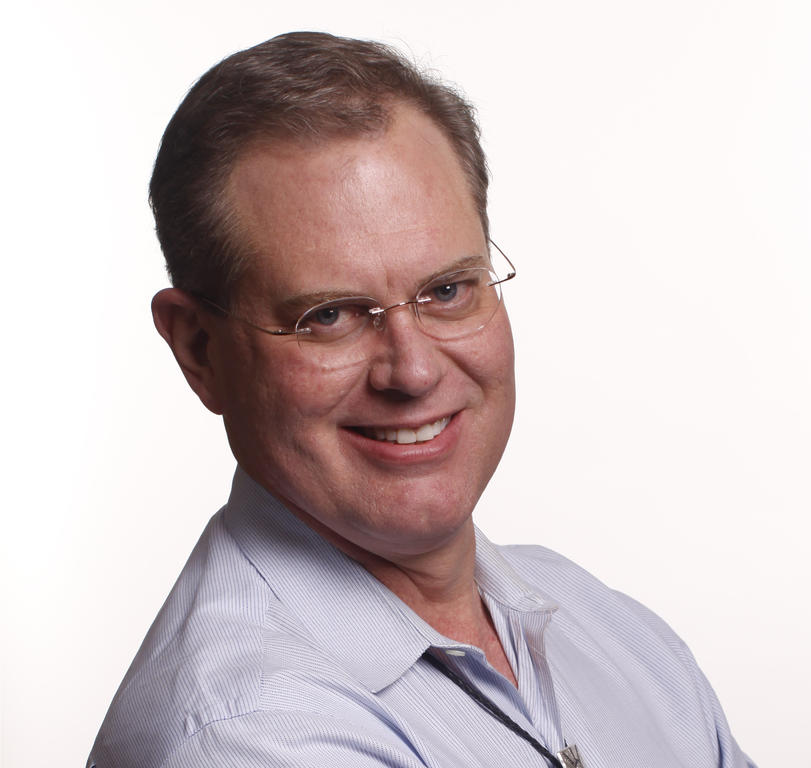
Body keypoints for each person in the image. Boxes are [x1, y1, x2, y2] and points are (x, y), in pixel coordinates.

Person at [88, 32, 755, 768]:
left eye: (446, 291)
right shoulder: (249, 732)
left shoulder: (606, 628)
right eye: (330, 315)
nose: (411, 371)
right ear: (199, 350)